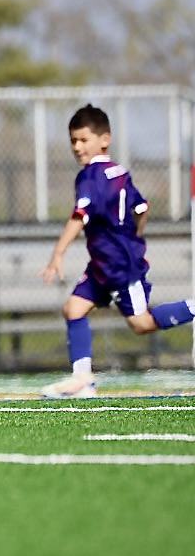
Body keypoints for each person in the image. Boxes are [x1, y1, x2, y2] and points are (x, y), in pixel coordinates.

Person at [39, 103, 194, 399]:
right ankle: (82, 379)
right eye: (73, 140)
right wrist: (133, 235)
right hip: (104, 263)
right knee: (73, 308)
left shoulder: (90, 176)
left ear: (104, 139)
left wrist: (58, 253)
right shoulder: (120, 172)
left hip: (120, 266)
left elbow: (79, 215)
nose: (77, 146)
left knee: (141, 323)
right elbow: (141, 208)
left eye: (84, 139)